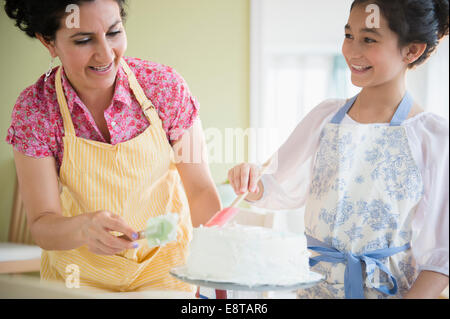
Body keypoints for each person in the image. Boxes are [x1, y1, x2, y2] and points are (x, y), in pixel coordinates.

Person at [228, 0, 449, 299]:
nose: (352, 51)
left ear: (412, 50)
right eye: (349, 36)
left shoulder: (434, 137)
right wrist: (249, 178)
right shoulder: (324, 117)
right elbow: (275, 187)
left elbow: (442, 256)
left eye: (369, 39)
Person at [4, 0, 221, 293]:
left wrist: (217, 270)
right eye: (83, 40)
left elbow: (200, 191)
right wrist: (84, 228)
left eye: (114, 32)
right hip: (77, 280)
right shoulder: (37, 109)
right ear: (49, 42)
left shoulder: (165, 88)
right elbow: (43, 224)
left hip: (166, 272)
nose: (106, 54)